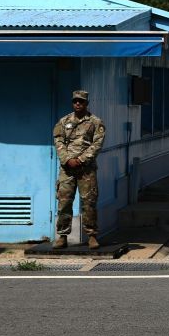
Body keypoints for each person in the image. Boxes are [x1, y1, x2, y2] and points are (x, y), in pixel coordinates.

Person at [52, 90, 106, 249]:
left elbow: (97, 144)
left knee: (89, 202)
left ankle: (92, 236)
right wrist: (67, 159)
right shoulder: (64, 121)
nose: (78, 104)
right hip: (67, 169)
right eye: (75, 101)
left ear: (86, 103)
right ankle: (62, 236)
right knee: (64, 202)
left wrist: (81, 160)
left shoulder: (96, 122)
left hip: (86, 169)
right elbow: (58, 140)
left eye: (81, 101)